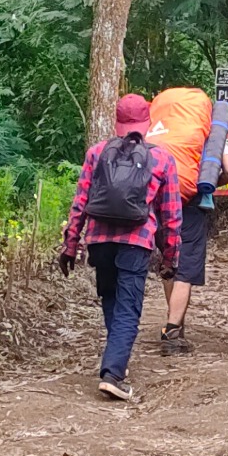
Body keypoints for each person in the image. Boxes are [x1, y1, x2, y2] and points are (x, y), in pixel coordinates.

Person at [59, 94, 182, 401]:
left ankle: (117, 361)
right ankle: (113, 374)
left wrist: (71, 244)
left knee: (111, 299)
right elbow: (171, 215)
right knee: (129, 308)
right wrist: (171, 256)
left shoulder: (96, 153)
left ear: (116, 122)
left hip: (99, 240)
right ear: (148, 122)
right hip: (136, 242)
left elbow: (80, 202)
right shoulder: (162, 159)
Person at [159, 124, 228, 355]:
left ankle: (175, 322)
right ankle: (173, 331)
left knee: (170, 262)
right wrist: (207, 185)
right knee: (186, 268)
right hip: (192, 205)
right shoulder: (211, 134)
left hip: (161, 200)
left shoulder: (165, 128)